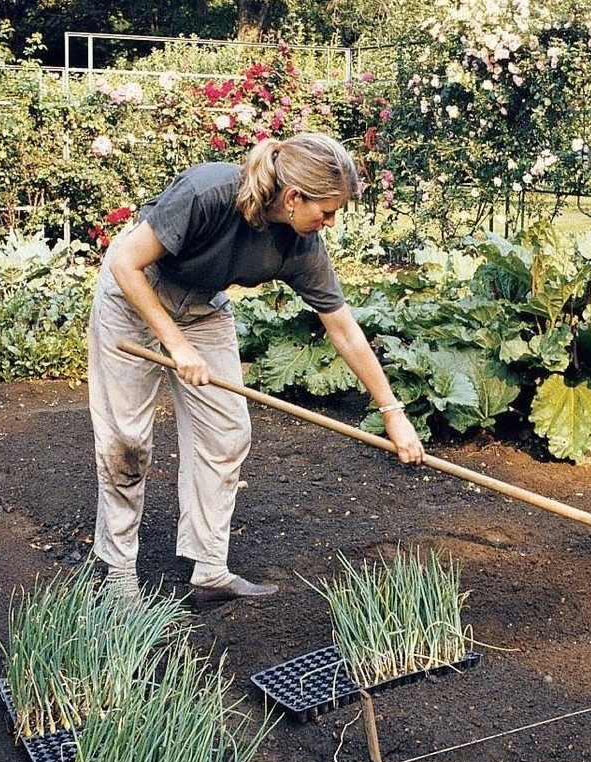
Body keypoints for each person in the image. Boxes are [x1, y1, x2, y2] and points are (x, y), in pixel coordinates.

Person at [88, 132, 424, 603]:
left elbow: (344, 329)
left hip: (202, 305)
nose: (328, 223)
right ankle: (119, 572)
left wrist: (393, 411)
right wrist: (176, 344)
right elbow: (125, 262)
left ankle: (208, 567)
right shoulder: (209, 192)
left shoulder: (301, 245)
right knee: (127, 441)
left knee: (226, 433)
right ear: (292, 197)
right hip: (133, 296)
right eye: (325, 212)